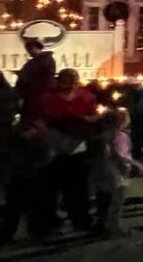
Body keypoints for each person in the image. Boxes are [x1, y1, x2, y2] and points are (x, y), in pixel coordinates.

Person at [37, 68, 98, 232]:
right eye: (66, 79)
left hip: (77, 146)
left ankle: (80, 217)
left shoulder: (86, 97)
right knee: (51, 187)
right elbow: (43, 118)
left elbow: (92, 117)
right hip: (55, 147)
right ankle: (49, 219)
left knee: (78, 187)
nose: (70, 83)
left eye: (73, 80)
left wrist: (82, 122)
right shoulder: (48, 99)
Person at [0, 116, 55, 246]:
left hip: (28, 167)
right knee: (19, 204)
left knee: (29, 203)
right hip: (22, 168)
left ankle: (35, 231)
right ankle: (11, 234)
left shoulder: (31, 124)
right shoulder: (20, 124)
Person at [89, 107, 143, 238]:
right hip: (116, 173)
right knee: (116, 202)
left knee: (103, 199)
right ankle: (114, 228)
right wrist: (136, 164)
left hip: (101, 172)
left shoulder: (100, 137)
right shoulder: (120, 137)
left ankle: (101, 224)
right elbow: (120, 154)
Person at [14, 38, 57, 106]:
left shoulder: (46, 60)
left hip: (40, 94)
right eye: (28, 49)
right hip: (31, 95)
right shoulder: (31, 62)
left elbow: (45, 76)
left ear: (37, 48)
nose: (29, 51)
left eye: (31, 48)